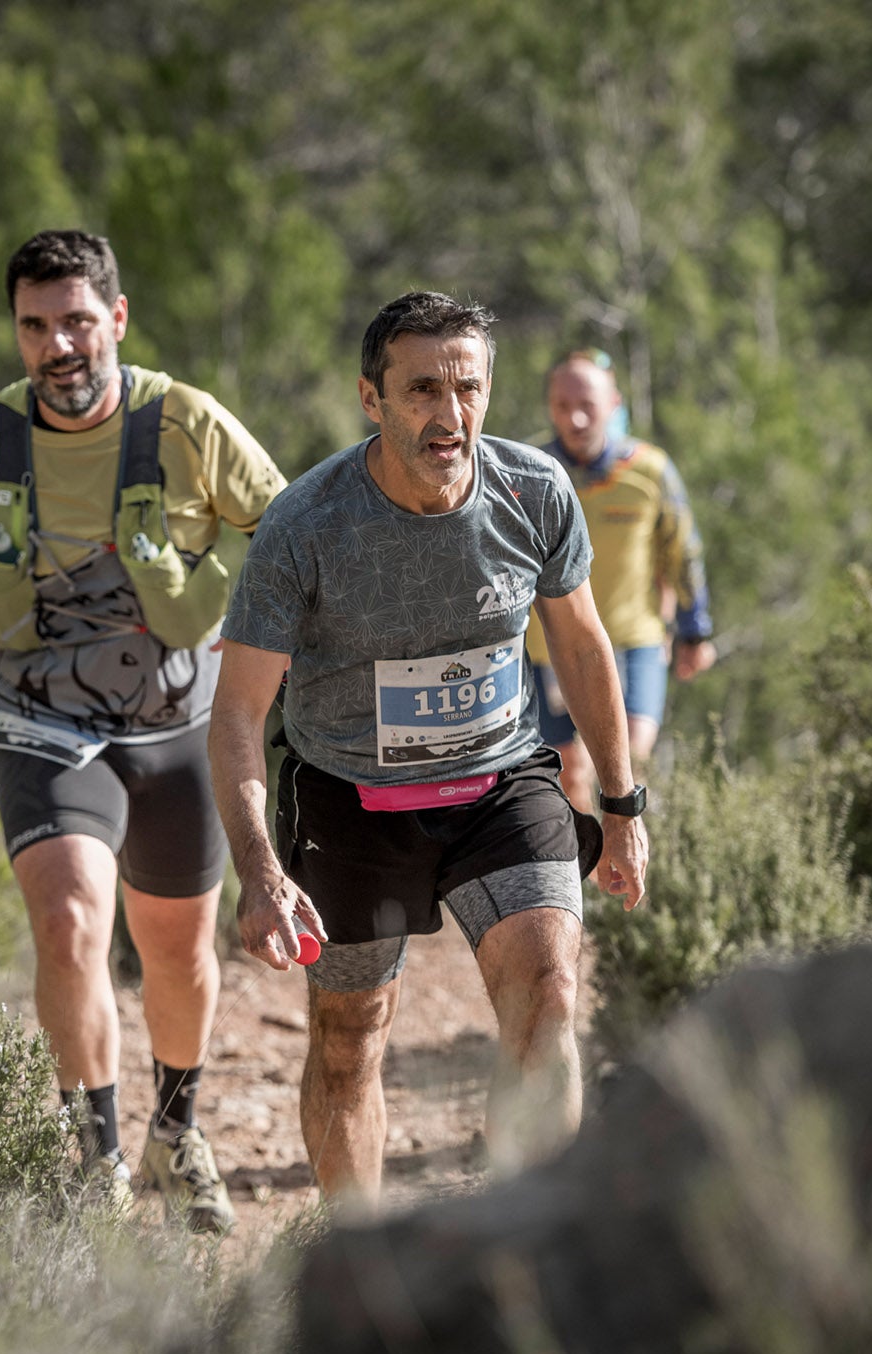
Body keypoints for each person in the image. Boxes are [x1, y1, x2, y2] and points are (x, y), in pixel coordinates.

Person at [0, 230, 287, 1234]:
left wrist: (267, 649)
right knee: (66, 924)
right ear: (16, 331)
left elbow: (283, 535)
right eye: (35, 326)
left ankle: (175, 1129)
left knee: (177, 954)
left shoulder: (184, 422)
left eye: (77, 323)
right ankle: (95, 1159)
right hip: (41, 723)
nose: (58, 346)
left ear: (117, 319)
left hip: (179, 726)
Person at [207, 291, 648, 1207]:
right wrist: (259, 870)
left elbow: (581, 643)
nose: (450, 417)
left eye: (469, 388)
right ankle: (357, 1267)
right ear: (372, 398)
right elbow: (240, 712)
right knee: (349, 1038)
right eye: (421, 391)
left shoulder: (533, 491)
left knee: (551, 993)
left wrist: (622, 802)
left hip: (501, 784)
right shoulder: (306, 524)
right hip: (350, 798)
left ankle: (530, 1237)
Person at [531, 350, 716, 812]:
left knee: (629, 765)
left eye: (587, 404)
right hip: (550, 649)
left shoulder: (650, 470)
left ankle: (639, 874)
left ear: (613, 403)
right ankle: (589, 877)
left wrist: (695, 632)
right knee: (570, 774)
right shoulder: (529, 472)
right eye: (561, 404)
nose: (574, 417)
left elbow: (683, 551)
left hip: (633, 642)